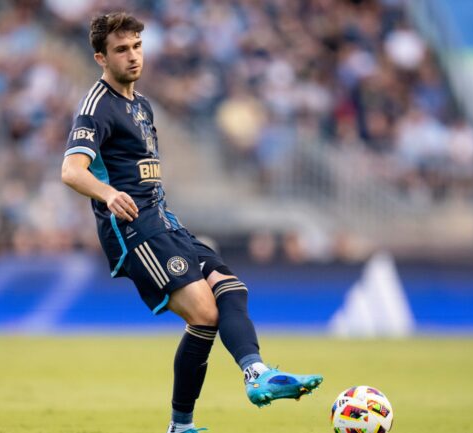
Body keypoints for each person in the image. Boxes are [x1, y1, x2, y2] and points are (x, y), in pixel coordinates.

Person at [60, 12, 322, 433]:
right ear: (100, 58)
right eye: (121, 50)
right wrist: (108, 194)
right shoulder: (96, 107)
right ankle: (203, 410)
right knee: (203, 312)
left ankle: (253, 375)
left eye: (137, 47)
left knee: (231, 289)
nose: (133, 57)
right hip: (134, 231)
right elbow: (71, 171)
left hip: (166, 222)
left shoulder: (142, 105)